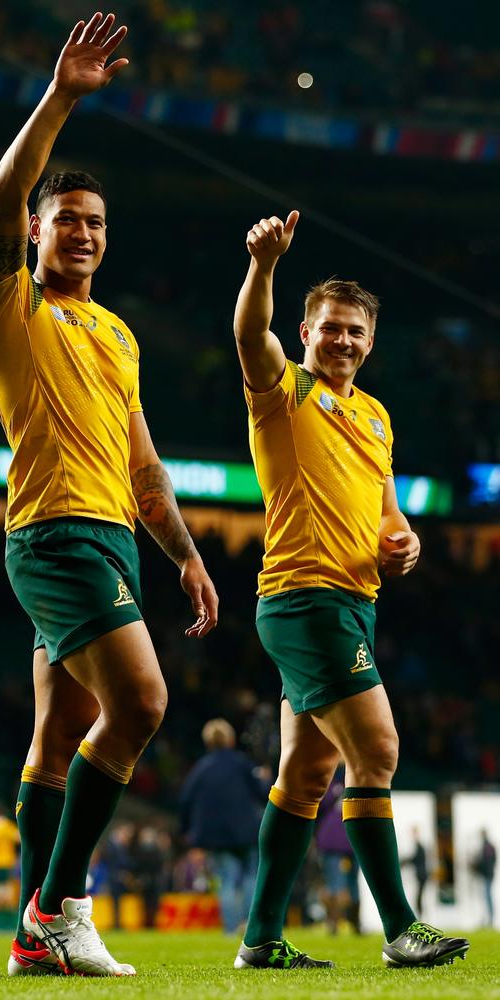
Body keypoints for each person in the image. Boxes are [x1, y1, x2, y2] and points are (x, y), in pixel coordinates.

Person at [0, 10, 218, 979]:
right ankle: (56, 906)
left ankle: (34, 942)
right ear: (37, 231)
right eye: (65, 218)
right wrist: (62, 98)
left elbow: (144, 467)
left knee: (58, 733)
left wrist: (189, 556)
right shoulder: (12, 307)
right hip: (54, 536)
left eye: (94, 223)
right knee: (145, 702)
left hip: (111, 536)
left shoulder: (117, 334)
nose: (81, 232)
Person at [231, 211, 469, 970]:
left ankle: (260, 940)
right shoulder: (283, 391)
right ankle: (401, 928)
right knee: (379, 749)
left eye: (355, 332)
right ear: (305, 332)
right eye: (330, 327)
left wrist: (406, 542)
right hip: (306, 599)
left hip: (353, 603)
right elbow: (247, 336)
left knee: (305, 776)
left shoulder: (376, 416)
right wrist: (262, 268)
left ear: (371, 343)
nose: (343, 341)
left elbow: (388, 512)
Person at [180, 718, 266, 933]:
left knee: (226, 879)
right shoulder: (242, 763)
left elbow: (185, 800)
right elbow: (262, 793)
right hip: (245, 831)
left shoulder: (201, 767)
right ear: (230, 739)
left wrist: (186, 831)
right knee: (250, 875)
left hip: (216, 835)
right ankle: (248, 923)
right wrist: (264, 778)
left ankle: (230, 929)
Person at [315, 773, 361, 934]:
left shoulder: (334, 782)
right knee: (339, 884)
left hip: (345, 839)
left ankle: (349, 924)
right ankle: (340, 924)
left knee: (343, 884)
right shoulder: (334, 783)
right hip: (343, 840)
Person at [402, 826, 428, 918]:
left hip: (421, 875)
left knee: (419, 898)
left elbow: (415, 858)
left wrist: (404, 862)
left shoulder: (419, 846)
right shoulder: (419, 846)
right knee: (418, 898)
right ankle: (420, 917)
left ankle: (421, 917)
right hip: (420, 875)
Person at [471, 829, 496, 927]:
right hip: (486, 875)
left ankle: (490, 920)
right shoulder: (486, 846)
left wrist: (477, 867)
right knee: (486, 898)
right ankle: (488, 919)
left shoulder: (488, 847)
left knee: (487, 898)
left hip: (487, 875)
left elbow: (488, 862)